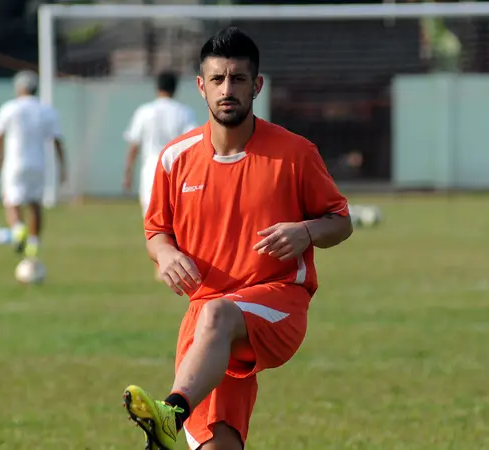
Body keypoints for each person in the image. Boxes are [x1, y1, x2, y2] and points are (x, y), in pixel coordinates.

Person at [122, 27, 354, 450]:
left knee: (218, 315)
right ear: (201, 86)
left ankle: (171, 411)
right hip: (207, 320)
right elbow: (156, 230)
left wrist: (305, 231)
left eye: (238, 79)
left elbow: (340, 220)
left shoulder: (295, 153)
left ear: (257, 85)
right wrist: (166, 252)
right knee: (218, 444)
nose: (227, 89)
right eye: (217, 80)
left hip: (277, 301)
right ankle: (174, 419)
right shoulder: (175, 158)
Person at [0, 70, 66, 259]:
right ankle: (34, 242)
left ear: (20, 88)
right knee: (35, 205)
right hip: (38, 163)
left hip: (14, 162)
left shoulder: (9, 108)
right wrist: (63, 165)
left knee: (12, 201)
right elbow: (57, 140)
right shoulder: (46, 109)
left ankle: (18, 229)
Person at [123, 71, 198, 217]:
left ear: (157, 87)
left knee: (151, 220)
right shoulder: (184, 112)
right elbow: (193, 142)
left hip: (151, 168)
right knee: (176, 217)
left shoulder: (145, 111)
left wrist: (128, 173)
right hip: (177, 169)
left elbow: (134, 144)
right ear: (175, 89)